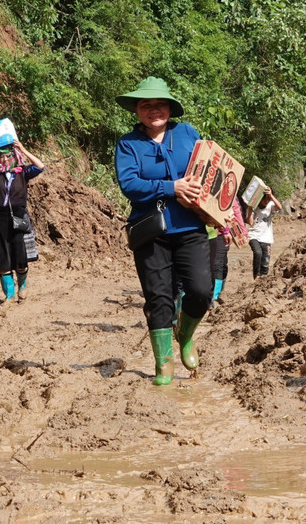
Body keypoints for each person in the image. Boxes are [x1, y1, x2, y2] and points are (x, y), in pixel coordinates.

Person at [114, 76, 212, 386]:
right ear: (137, 110)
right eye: (146, 105)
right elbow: (130, 184)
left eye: (160, 104)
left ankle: (185, 333)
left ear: (170, 108)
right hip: (150, 231)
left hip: (190, 226)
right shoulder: (128, 144)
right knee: (158, 298)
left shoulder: (187, 134)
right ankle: (164, 365)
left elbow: (208, 172)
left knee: (201, 290)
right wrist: (171, 187)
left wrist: (216, 209)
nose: (153, 110)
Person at [0, 130, 45, 304]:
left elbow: (40, 166)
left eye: (8, 156)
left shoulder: (23, 172)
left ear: (14, 156)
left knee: (20, 257)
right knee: (2, 258)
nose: (5, 159)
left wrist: (23, 149)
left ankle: (22, 287)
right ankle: (9, 296)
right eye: (1, 156)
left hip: (19, 216)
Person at [209, 196, 248, 305]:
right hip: (207, 232)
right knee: (214, 264)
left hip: (222, 234)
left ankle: (215, 295)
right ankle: (212, 295)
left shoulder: (230, 195)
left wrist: (243, 233)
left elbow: (236, 212)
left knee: (220, 264)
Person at [246, 186, 282, 278]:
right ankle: (256, 276)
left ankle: (263, 278)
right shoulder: (253, 206)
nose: (266, 201)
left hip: (266, 237)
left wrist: (271, 195)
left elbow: (279, 207)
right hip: (253, 235)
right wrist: (250, 209)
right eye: (264, 199)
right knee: (258, 253)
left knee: (265, 260)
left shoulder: (270, 205)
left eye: (268, 199)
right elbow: (250, 222)